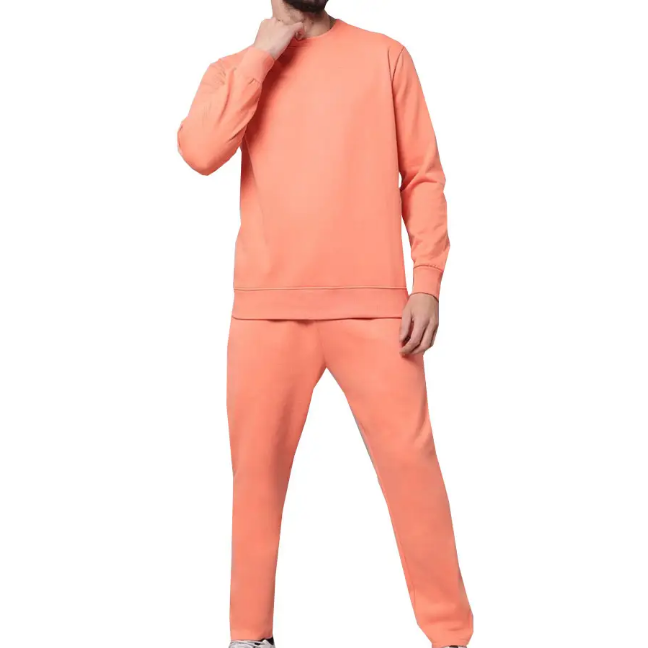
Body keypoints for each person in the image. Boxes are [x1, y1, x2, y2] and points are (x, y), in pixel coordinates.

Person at [178, 1, 473, 646]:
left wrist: (427, 280)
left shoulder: (385, 56)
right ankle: (249, 635)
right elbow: (199, 151)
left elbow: (422, 176)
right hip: (267, 311)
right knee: (256, 481)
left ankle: (450, 635)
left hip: (376, 307)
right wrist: (263, 55)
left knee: (413, 472)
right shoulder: (235, 69)